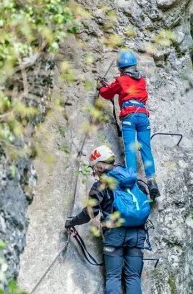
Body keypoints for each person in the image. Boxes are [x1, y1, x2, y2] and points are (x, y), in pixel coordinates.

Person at [65, 145, 158, 294]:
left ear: (100, 166)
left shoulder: (101, 185)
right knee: (133, 277)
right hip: (138, 234)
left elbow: (90, 213)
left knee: (113, 277)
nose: (93, 172)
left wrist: (72, 222)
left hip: (115, 235)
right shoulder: (134, 180)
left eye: (94, 167)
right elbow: (144, 197)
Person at [97, 49, 159, 201]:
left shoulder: (121, 81)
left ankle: (132, 183)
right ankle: (152, 181)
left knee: (131, 149)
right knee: (146, 149)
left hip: (129, 117)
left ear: (121, 68)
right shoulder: (142, 80)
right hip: (143, 116)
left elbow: (107, 93)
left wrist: (101, 87)